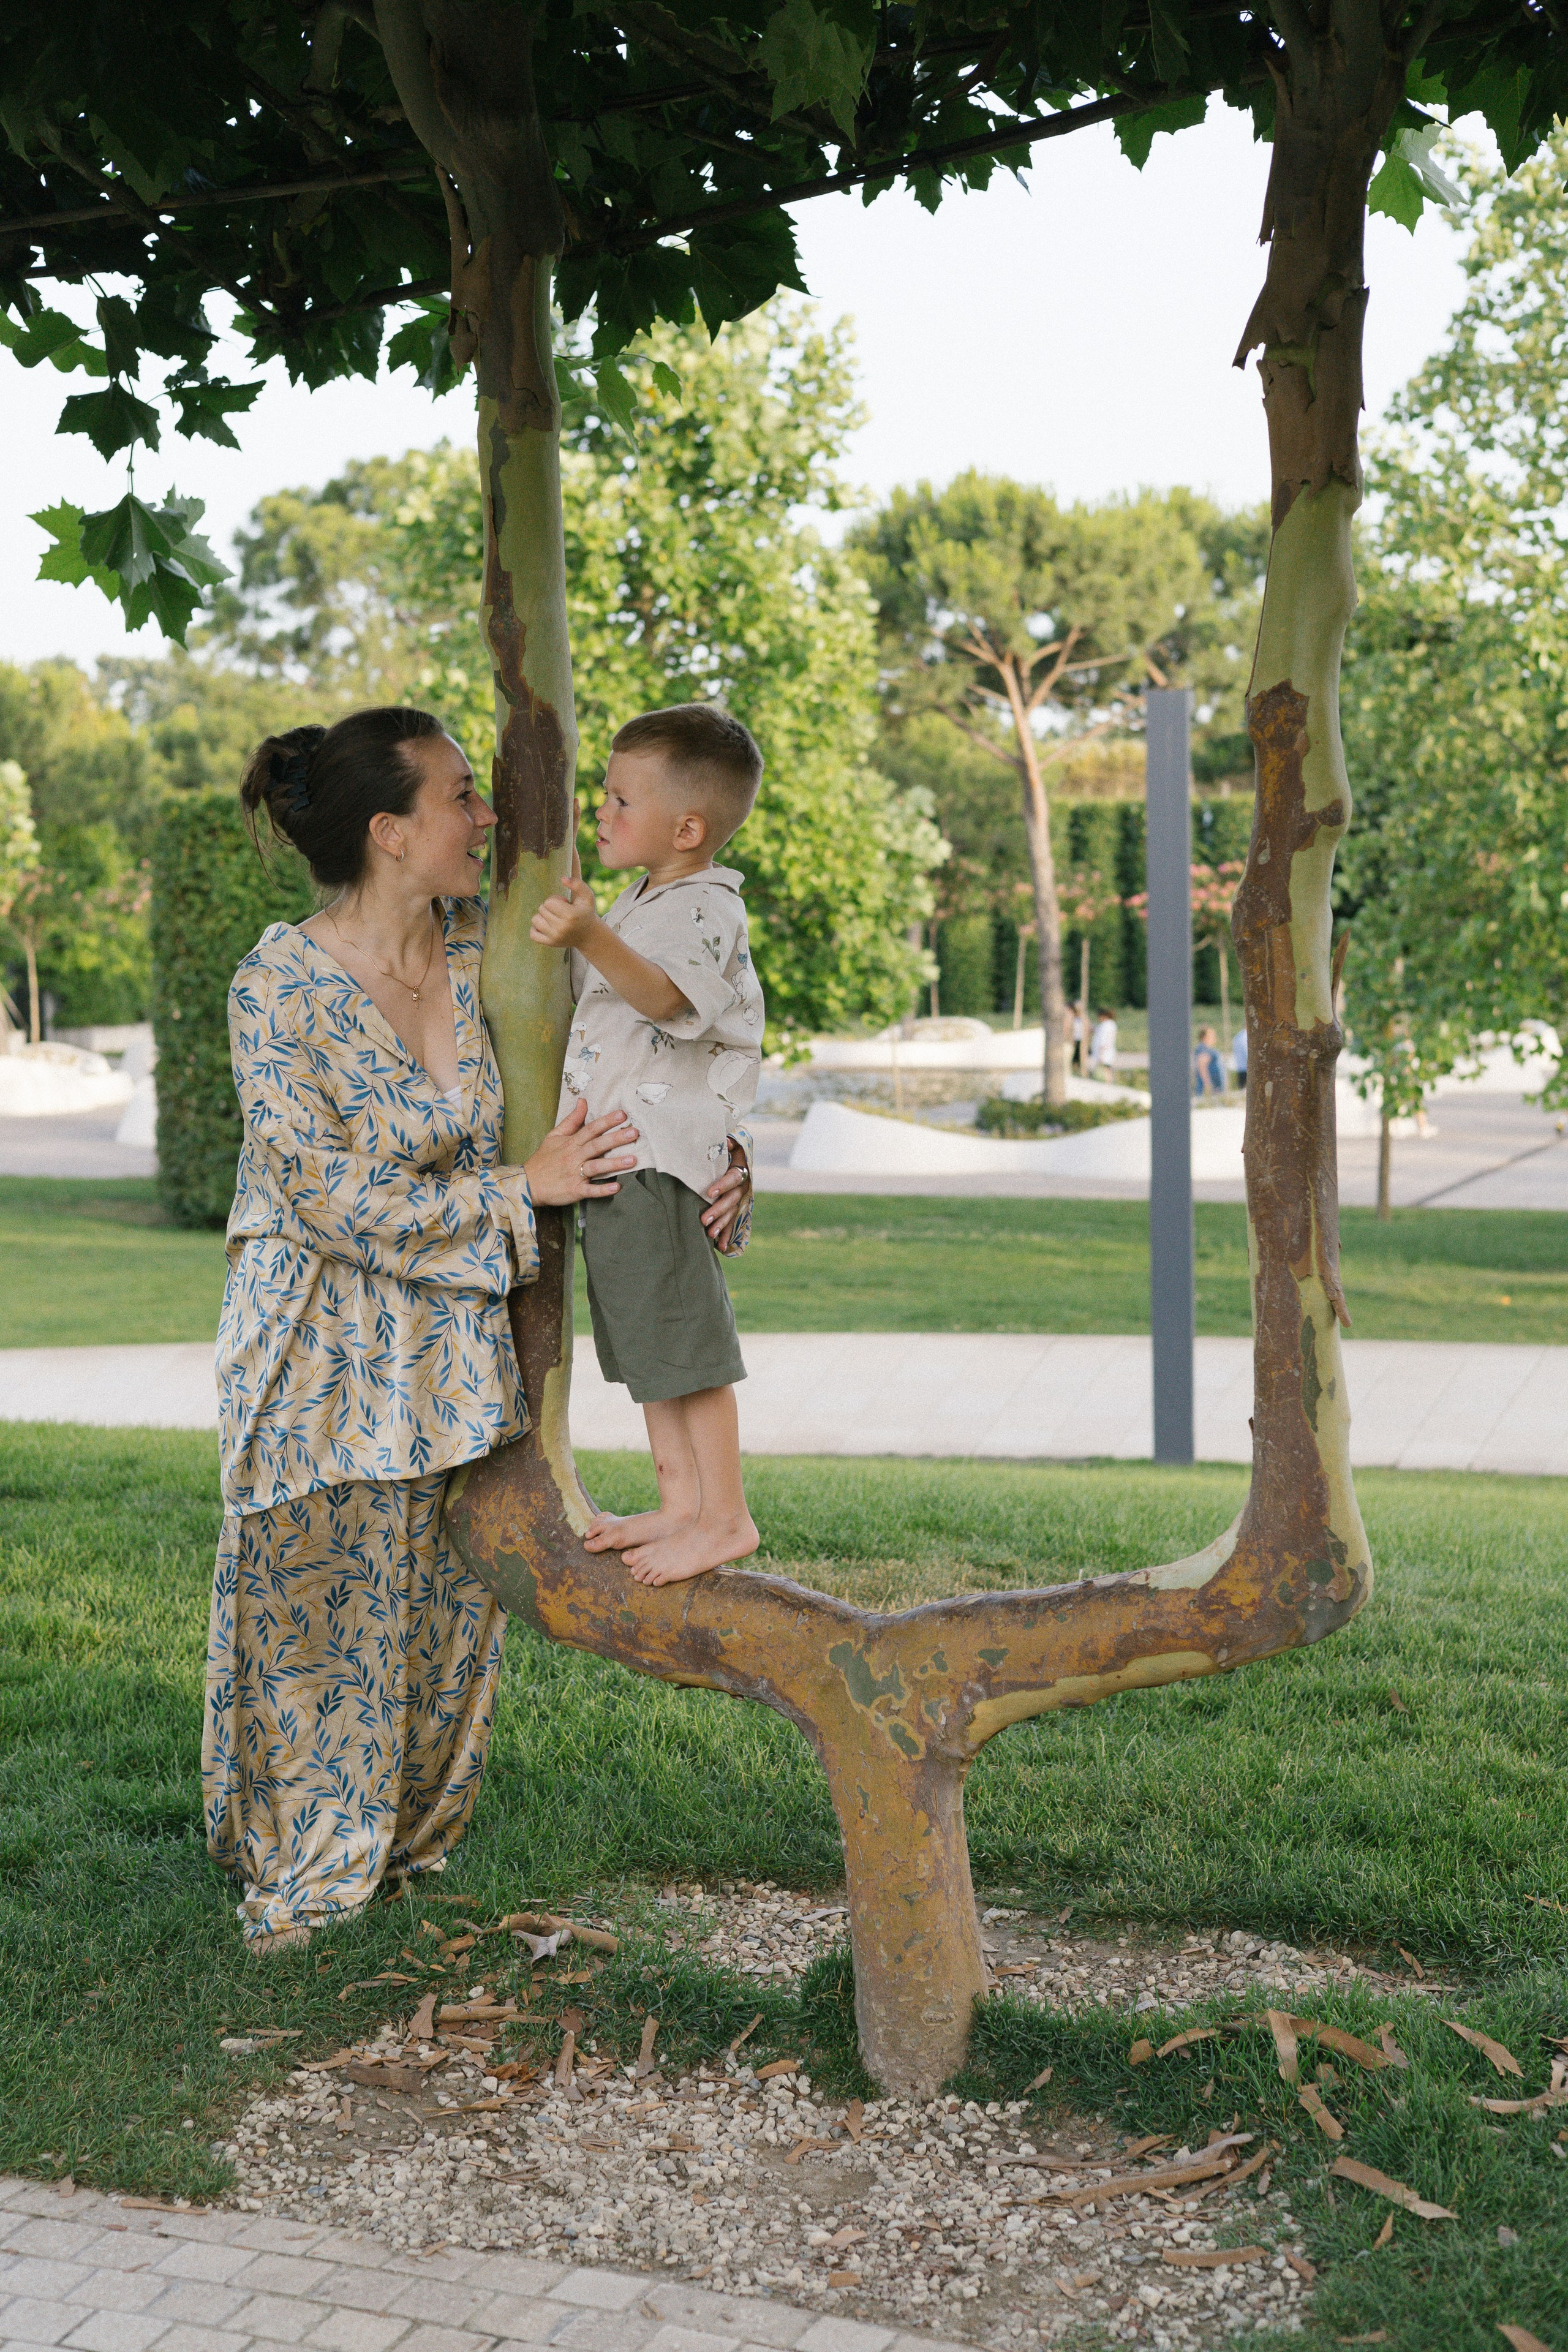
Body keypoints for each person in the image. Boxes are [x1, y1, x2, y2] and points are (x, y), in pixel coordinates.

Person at [203, 706, 752, 1951]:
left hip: (456, 1357)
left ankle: (409, 1850)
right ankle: (305, 1883)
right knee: (319, 1623)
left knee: (447, 1624)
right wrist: (519, 1193)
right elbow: (321, 1194)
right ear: (392, 833)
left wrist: (720, 1156)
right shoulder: (276, 986)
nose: (486, 815)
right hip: (319, 1356)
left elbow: (649, 1044)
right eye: (460, 796)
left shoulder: (494, 960)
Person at [530, 704, 766, 1588]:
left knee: (689, 1353)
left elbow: (668, 1000)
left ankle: (725, 1516)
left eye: (621, 801)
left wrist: (591, 934)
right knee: (653, 1349)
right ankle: (678, 1502)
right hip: (622, 1159)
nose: (602, 812)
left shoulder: (703, 908)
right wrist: (595, 917)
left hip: (661, 1159)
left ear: (688, 828)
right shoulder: (651, 898)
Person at [1193, 1024, 1225, 1095]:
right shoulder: (1203, 1049)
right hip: (1211, 1089)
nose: (1214, 1038)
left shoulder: (1208, 1049)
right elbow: (1202, 1068)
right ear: (1205, 1037)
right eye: (1212, 1035)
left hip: (1216, 1088)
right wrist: (1208, 1086)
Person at [1088, 1006, 1118, 1080]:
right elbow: (1095, 1030)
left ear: (1103, 1016)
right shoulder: (1108, 1024)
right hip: (1105, 1051)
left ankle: (1108, 1084)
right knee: (1106, 1069)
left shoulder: (1107, 1025)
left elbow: (1104, 1040)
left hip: (1104, 1051)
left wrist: (1101, 1054)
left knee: (1106, 1069)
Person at [1231, 1023, 1248, 1090]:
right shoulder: (1246, 1037)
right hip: (1247, 1069)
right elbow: (1247, 1053)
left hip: (1240, 1068)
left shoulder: (1237, 1037)